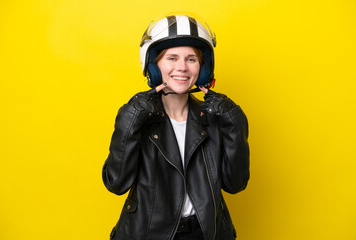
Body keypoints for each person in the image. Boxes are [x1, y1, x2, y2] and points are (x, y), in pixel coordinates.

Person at [102, 14, 250, 240]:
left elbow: (236, 183)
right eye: (171, 58)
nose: (182, 67)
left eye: (191, 59)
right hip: (148, 234)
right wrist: (130, 118)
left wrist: (234, 121)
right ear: (153, 66)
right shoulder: (138, 118)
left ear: (202, 67)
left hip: (204, 234)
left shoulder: (214, 119)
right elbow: (116, 184)